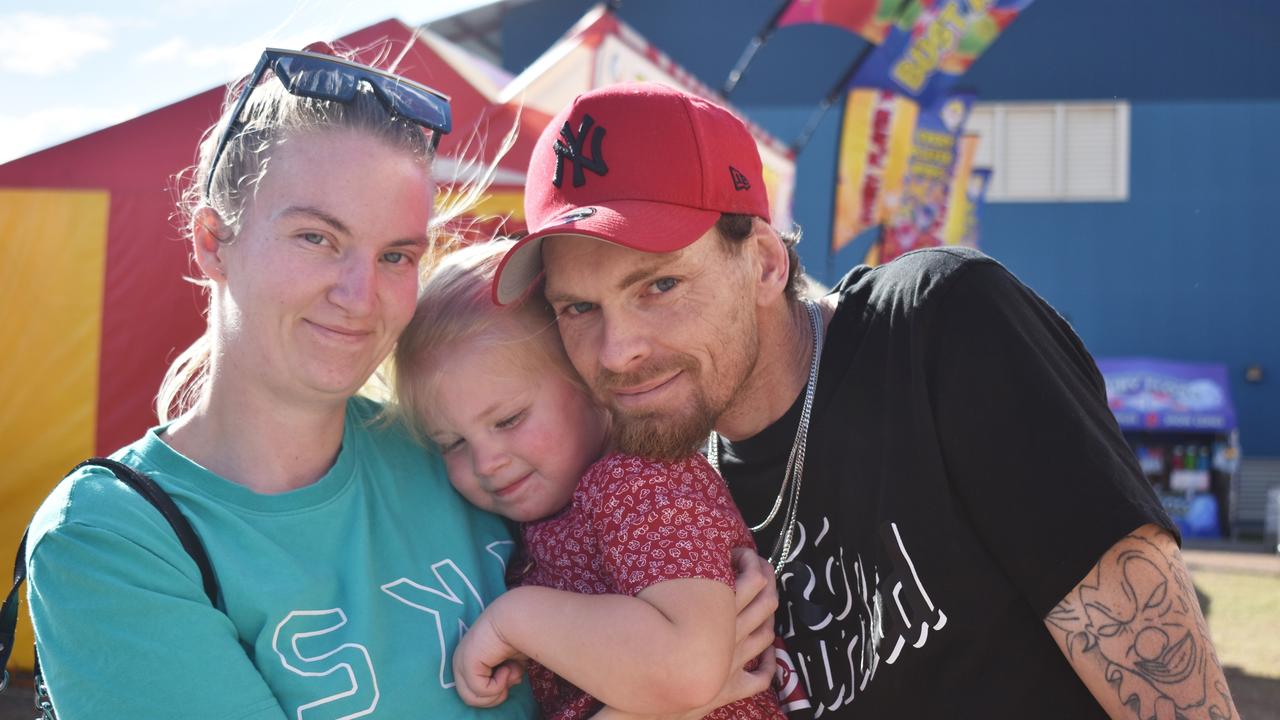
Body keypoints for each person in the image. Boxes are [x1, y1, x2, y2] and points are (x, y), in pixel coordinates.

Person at [491, 81, 1240, 720]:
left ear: (760, 261)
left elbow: (1167, 682)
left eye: (659, 285)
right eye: (578, 309)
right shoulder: (664, 483)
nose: (618, 352)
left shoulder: (937, 327)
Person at [20, 47, 540, 719]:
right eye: (317, 238)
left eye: (395, 256)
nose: (360, 295)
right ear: (213, 241)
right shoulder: (111, 538)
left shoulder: (462, 453)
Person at [392, 240, 784, 719]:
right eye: (452, 442)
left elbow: (689, 669)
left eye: (510, 419)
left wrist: (513, 620)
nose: (486, 461)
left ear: (591, 384)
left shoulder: (639, 484)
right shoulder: (546, 518)